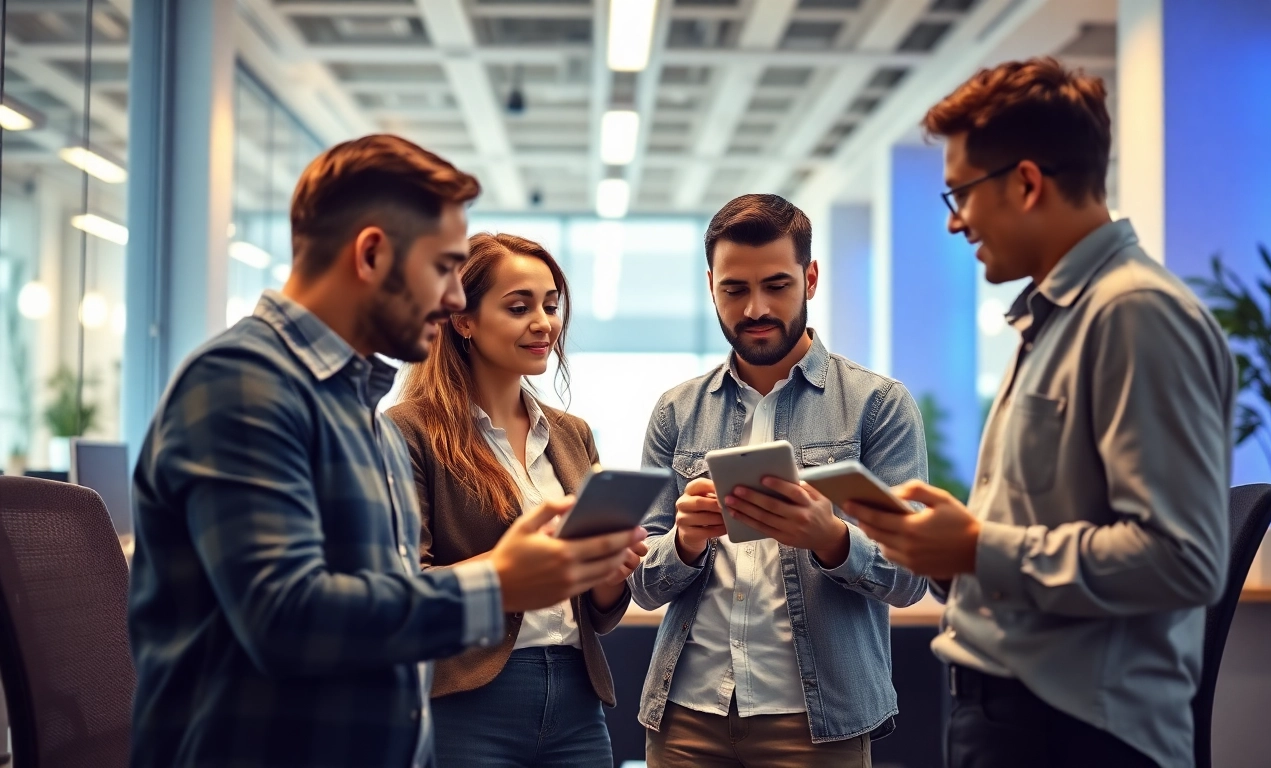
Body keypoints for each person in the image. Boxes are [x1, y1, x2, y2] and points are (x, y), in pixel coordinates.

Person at [127, 135, 642, 768]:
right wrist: (500, 582)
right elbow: (286, 620)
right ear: (372, 254)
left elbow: (386, 609)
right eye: (443, 268)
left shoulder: (356, 413)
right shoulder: (242, 384)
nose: (455, 299)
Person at [847, 58, 1235, 768]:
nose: (956, 222)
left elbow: (1183, 558)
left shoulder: (1133, 314)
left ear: (1026, 183)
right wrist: (951, 541)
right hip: (1015, 716)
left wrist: (975, 548)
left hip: (1075, 734)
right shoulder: (1056, 317)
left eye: (960, 194)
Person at [629, 193, 929, 768]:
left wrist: (831, 539)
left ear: (810, 278)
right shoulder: (676, 411)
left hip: (819, 723)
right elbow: (640, 582)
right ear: (711, 286)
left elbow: (912, 576)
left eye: (777, 285)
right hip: (686, 715)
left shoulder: (877, 406)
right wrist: (685, 544)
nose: (755, 309)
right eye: (734, 290)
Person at [388, 232, 647, 767]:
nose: (544, 323)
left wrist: (608, 570)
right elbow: (403, 589)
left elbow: (598, 613)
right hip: (468, 698)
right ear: (462, 318)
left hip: (578, 697)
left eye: (551, 305)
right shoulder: (408, 431)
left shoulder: (572, 434)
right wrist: (509, 570)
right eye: (518, 306)